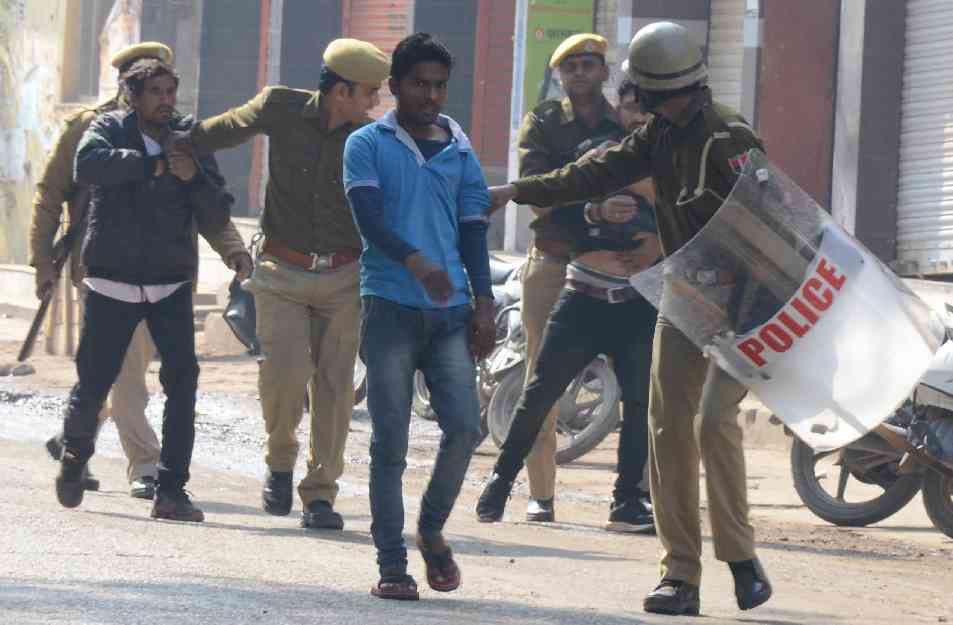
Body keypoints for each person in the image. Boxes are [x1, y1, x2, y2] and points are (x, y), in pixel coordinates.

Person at [486, 22, 773, 616]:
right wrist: (515, 190)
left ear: (696, 84)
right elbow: (591, 173)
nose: (667, 107)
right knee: (666, 430)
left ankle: (742, 560)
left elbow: (772, 221)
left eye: (675, 96)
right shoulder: (654, 137)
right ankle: (680, 576)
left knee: (714, 421)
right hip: (685, 296)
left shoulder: (729, 136)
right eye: (656, 97)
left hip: (745, 301)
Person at [166, 39, 390, 530]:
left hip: (346, 278)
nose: (376, 102)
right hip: (281, 274)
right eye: (369, 91)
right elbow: (220, 131)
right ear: (341, 90)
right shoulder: (279, 106)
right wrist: (177, 145)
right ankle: (281, 461)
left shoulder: (374, 139)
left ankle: (320, 495)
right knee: (285, 378)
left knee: (335, 389)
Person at [30, 42, 250, 501]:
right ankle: (139, 464)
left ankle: (161, 482)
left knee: (176, 379)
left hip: (170, 274)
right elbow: (55, 192)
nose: (165, 98)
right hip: (109, 271)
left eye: (171, 87)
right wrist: (43, 261)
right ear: (132, 88)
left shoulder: (186, 137)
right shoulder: (97, 128)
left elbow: (212, 206)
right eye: (154, 88)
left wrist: (232, 248)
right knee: (115, 375)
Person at [343, 33, 494, 600]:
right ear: (395, 87)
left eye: (439, 86)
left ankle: (430, 527)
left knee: (465, 428)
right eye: (419, 84)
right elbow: (370, 220)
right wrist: (416, 263)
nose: (430, 95)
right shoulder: (367, 143)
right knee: (391, 443)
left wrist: (483, 299)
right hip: (389, 310)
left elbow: (474, 229)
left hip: (451, 313)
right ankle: (391, 565)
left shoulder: (460, 148)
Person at [477, 78, 659, 533]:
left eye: (648, 111)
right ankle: (500, 481)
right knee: (540, 392)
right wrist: (593, 214)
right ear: (620, 112)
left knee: (640, 405)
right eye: (632, 109)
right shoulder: (599, 159)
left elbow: (693, 221)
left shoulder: (676, 167)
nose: (639, 119)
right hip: (583, 298)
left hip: (638, 303)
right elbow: (556, 207)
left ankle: (627, 503)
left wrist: (658, 243)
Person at [508, 33, 630, 525]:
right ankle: (541, 492)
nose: (580, 72)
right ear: (559, 76)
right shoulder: (542, 123)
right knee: (544, 381)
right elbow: (538, 192)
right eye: (570, 66)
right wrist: (593, 207)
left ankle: (631, 498)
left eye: (589, 64)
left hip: (616, 268)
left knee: (638, 383)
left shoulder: (623, 125)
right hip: (555, 264)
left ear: (604, 71)